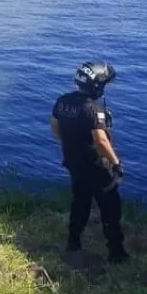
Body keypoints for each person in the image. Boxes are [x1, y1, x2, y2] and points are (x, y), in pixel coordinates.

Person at [50, 62, 128, 263]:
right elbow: (101, 140)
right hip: (97, 167)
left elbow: (56, 128)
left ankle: (73, 242)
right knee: (111, 210)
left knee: (80, 204)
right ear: (97, 86)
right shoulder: (93, 109)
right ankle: (116, 253)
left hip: (74, 163)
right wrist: (116, 163)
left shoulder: (62, 102)